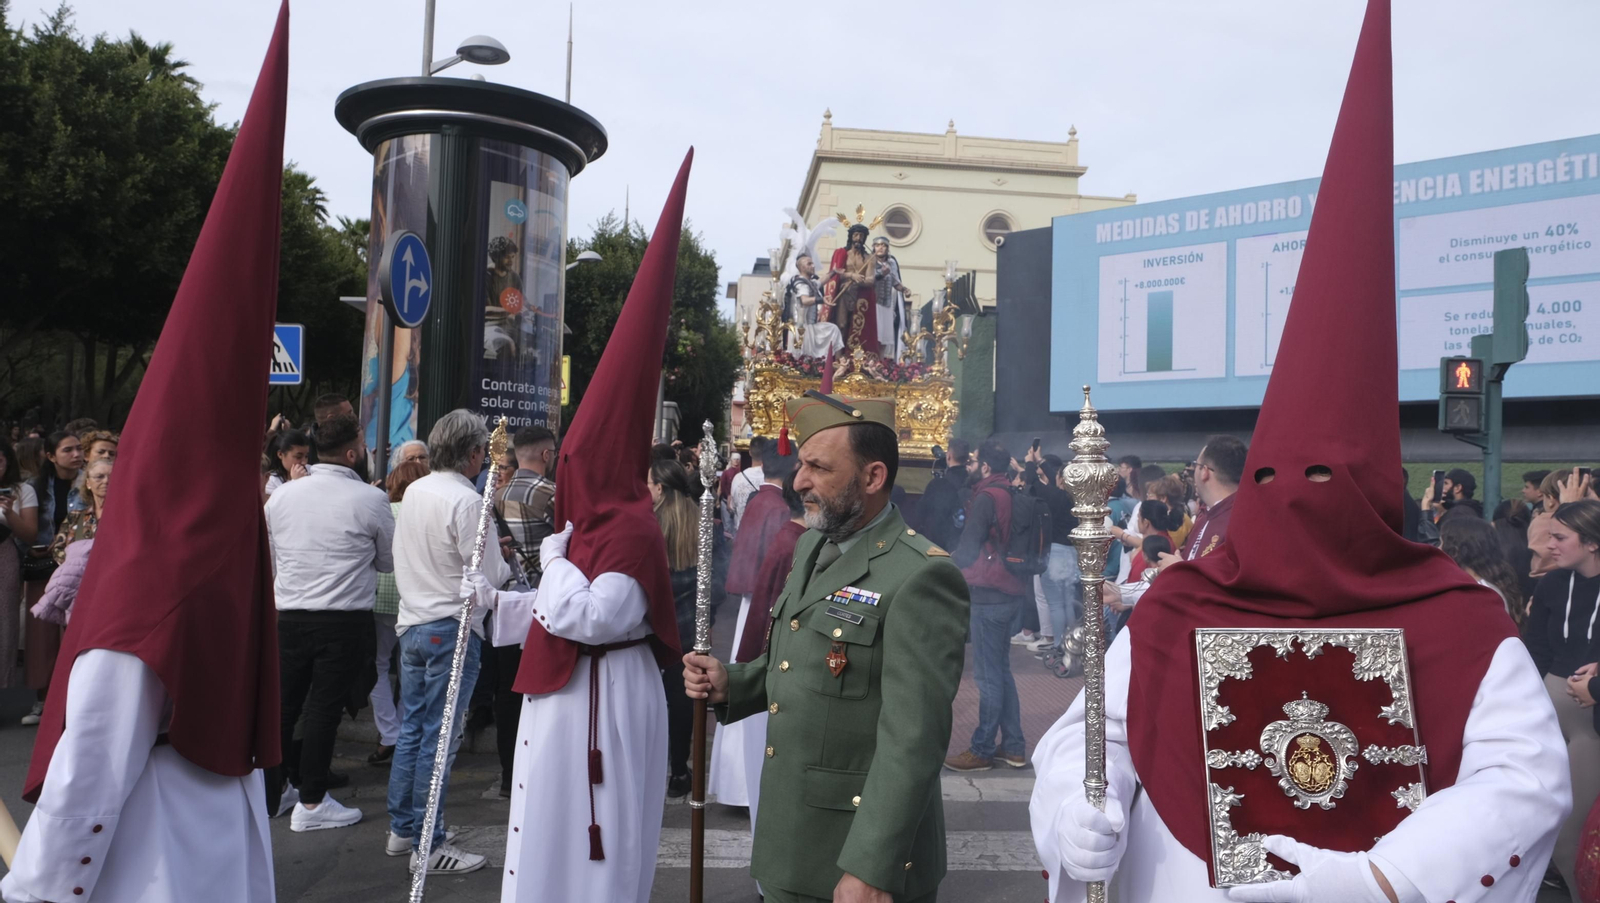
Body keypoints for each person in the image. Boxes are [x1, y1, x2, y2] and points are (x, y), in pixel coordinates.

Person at [1032, 6, 1568, 900]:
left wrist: (1383, 878)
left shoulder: (1463, 626)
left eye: (1327, 478)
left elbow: (1522, 780)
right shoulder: (1178, 607)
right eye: (1278, 476)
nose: (1297, 499)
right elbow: (1100, 739)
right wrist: (1071, 816)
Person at [2, 16, 287, 898]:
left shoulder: (155, 558)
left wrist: (35, 886)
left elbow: (94, 759)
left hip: (152, 845)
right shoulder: (232, 531)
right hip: (216, 826)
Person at [464, 153, 691, 903]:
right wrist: (494, 604)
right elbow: (562, 610)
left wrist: (555, 560)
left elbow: (595, 616)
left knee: (587, 853)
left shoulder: (625, 525)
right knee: (551, 837)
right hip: (576, 695)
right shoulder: (594, 518)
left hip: (604, 699)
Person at [684, 388, 971, 903]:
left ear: (873, 477)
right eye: (800, 466)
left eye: (818, 468)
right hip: (792, 836)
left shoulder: (921, 577)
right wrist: (736, 683)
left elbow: (914, 739)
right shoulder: (816, 542)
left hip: (853, 857)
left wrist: (873, 868)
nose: (799, 482)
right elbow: (794, 660)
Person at [387, 409, 512, 874]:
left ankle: (406, 829)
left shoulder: (416, 489)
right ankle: (429, 842)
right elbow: (492, 574)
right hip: (449, 626)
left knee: (415, 730)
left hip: (414, 623)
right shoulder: (466, 501)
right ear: (474, 453)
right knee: (439, 738)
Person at [265, 414, 393, 831]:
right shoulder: (370, 500)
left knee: (285, 707)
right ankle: (313, 801)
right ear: (354, 453)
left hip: (290, 615)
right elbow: (387, 561)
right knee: (322, 709)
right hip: (342, 618)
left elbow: (271, 558)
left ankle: (276, 791)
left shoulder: (282, 496)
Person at [709, 439, 797, 824]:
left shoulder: (761, 500)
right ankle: (746, 786)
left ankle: (737, 784)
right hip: (764, 602)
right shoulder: (779, 509)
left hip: (751, 601)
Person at [1524, 499, 1600, 900]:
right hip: (1545, 716)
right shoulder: (1551, 584)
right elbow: (1534, 650)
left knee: (1572, 833)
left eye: (1559, 537)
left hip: (1590, 727)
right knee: (1543, 822)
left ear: (1591, 543)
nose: (1549, 545)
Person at [946, 438, 1031, 773]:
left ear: (984, 466)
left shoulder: (986, 497)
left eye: (974, 461)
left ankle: (982, 748)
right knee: (1002, 672)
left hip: (988, 593)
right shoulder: (1012, 491)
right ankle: (1013, 747)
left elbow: (968, 549)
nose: (968, 465)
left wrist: (944, 560)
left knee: (987, 676)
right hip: (1012, 590)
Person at [481, 425, 557, 795]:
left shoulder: (493, 496)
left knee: (507, 691)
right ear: (545, 455)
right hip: (544, 605)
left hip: (507, 606)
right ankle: (540, 772)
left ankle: (510, 776)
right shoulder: (551, 495)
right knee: (545, 688)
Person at [368, 459, 430, 767]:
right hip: (414, 600)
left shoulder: (385, 511)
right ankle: (404, 731)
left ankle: (389, 732)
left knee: (377, 667)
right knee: (411, 672)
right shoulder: (424, 515)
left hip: (381, 600)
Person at [20, 430, 84, 725]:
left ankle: (76, 698)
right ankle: (43, 699)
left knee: (77, 633)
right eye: (68, 449)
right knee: (41, 636)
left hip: (80, 566)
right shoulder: (35, 486)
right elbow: (26, 526)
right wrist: (30, 549)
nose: (76, 454)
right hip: (44, 565)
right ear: (50, 455)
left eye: (79, 448)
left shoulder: (91, 482)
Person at [649, 458, 701, 800]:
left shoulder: (650, 523)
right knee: (682, 700)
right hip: (690, 627)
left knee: (651, 699)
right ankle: (679, 770)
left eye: (649, 483)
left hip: (655, 626)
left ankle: (650, 767)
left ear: (661, 487)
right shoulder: (700, 518)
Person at [31, 459, 112, 626]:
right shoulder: (76, 516)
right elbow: (59, 549)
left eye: (111, 477)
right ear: (88, 483)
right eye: (99, 477)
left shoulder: (124, 515)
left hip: (109, 587)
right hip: (77, 589)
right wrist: (78, 564)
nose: (106, 481)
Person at [0, 438, 39, 690]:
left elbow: (30, 534)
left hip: (4, 556)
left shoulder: (22, 490)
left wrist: (10, 513)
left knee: (4, 624)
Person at [1172, 434, 1246, 565]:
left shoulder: (1241, 521)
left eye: (1196, 465)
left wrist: (1175, 569)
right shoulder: (1207, 514)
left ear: (1204, 472)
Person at [1439, 515, 1523, 621]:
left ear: (1456, 549)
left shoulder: (1481, 593)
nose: (1438, 548)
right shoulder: (1477, 586)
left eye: (1442, 543)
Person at [821, 223, 881, 355]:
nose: (858, 238)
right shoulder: (842, 254)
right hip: (843, 292)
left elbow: (871, 280)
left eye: (861, 235)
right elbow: (835, 274)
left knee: (856, 328)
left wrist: (860, 280)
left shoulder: (869, 258)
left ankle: (852, 357)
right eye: (856, 235)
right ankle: (838, 357)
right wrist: (851, 275)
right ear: (851, 237)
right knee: (841, 324)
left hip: (860, 296)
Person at [871, 237, 910, 360]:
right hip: (874, 303)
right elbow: (868, 280)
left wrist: (904, 289)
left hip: (887, 304)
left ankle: (880, 362)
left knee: (884, 337)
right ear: (874, 248)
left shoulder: (891, 263)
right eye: (877, 245)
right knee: (875, 335)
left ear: (887, 248)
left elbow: (894, 281)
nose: (880, 247)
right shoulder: (870, 262)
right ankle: (872, 361)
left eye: (883, 245)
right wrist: (881, 274)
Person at [729, 436, 769, 532]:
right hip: (765, 535)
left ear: (750, 452)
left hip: (742, 534)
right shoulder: (773, 479)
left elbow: (732, 507)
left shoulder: (738, 478)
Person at [264, 428, 311, 497]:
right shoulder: (272, 481)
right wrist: (295, 482)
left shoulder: (313, 471)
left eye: (306, 456)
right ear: (280, 454)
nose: (304, 462)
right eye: (298, 457)